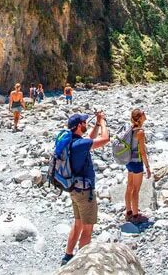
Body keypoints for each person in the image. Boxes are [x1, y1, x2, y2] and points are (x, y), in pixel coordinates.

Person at [62, 112, 109, 266]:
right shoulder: (80, 145)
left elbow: (90, 139)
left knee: (78, 224)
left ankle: (67, 257)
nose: (85, 123)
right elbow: (105, 139)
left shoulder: (73, 142)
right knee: (87, 229)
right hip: (85, 192)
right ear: (78, 126)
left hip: (75, 189)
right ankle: (81, 264)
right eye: (84, 121)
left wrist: (96, 124)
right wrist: (102, 123)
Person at [123, 108, 153, 224]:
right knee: (136, 189)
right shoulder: (140, 132)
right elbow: (142, 152)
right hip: (137, 163)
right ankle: (136, 216)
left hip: (128, 161)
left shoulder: (130, 128)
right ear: (140, 118)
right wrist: (148, 167)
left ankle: (129, 211)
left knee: (129, 186)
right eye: (144, 114)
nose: (145, 115)